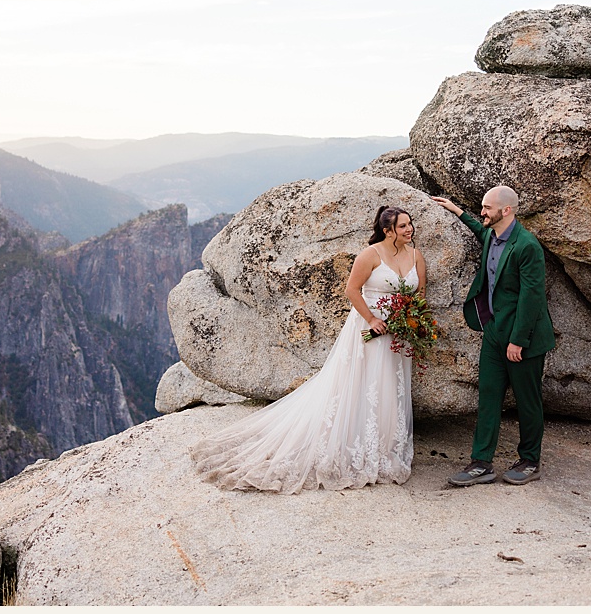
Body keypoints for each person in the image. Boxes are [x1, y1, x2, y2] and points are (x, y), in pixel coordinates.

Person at [192, 205, 421, 493]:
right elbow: (352, 290)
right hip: (368, 328)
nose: (409, 229)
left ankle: (384, 447)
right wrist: (373, 318)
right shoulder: (370, 255)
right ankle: (351, 443)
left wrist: (410, 319)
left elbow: (419, 292)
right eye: (403, 226)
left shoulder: (415, 255)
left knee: (390, 385)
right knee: (362, 383)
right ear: (388, 231)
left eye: (410, 224)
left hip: (398, 333)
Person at [433, 188, 557, 487]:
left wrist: (519, 341)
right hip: (493, 333)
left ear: (507, 211)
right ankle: (481, 463)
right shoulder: (492, 235)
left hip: (522, 338)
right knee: (488, 397)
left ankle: (529, 461)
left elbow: (532, 298)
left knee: (528, 401)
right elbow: (480, 230)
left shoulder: (527, 246)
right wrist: (456, 210)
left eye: (488, 208)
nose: (483, 212)